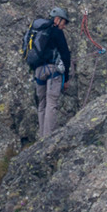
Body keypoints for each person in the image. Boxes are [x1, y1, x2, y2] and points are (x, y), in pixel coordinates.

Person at [34, 7, 73, 140]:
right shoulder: (57, 32)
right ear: (57, 19)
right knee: (51, 103)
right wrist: (66, 78)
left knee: (42, 104)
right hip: (52, 70)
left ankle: (41, 137)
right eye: (64, 22)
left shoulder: (39, 30)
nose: (64, 26)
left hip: (38, 71)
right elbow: (65, 55)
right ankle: (47, 139)